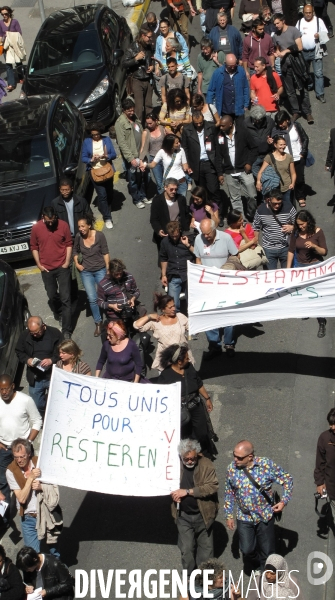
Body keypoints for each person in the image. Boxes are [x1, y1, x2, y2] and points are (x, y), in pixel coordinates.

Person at [224, 439, 293, 572]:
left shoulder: (266, 465)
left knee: (267, 551)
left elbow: (287, 480)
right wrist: (229, 515)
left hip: (265, 515)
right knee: (246, 549)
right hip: (244, 516)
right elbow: (229, 492)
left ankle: (265, 573)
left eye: (239, 457)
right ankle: (256, 561)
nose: (235, 459)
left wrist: (283, 501)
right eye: (234, 455)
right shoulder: (231, 469)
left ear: (250, 456)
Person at [170, 439, 218, 575]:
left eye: (193, 458)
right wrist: (173, 493)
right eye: (187, 459)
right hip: (183, 516)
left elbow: (212, 486)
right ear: (180, 456)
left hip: (203, 516)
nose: (190, 461)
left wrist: (187, 492)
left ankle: (206, 578)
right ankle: (190, 577)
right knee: (187, 550)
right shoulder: (173, 466)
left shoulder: (206, 465)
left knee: (206, 552)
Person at [6, 439, 62, 555]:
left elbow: (54, 486)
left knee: (54, 552)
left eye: (22, 456)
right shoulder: (11, 471)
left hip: (46, 514)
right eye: (16, 457)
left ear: (29, 454)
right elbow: (21, 498)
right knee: (32, 555)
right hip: (28, 518)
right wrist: (30, 478)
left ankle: (60, 572)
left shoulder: (40, 463)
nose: (19, 460)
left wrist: (42, 487)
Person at [0, 374, 42, 523]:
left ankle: (33, 511)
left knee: (28, 479)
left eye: (6, 389)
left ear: (12, 386)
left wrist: (29, 442)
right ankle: (3, 519)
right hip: (4, 450)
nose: (4, 392)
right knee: (3, 483)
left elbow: (37, 421)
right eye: (1, 390)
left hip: (24, 451)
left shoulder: (25, 400)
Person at [194, 218, 238, 357]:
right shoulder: (198, 239)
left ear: (214, 230)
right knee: (208, 313)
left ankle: (229, 343)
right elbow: (198, 258)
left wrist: (229, 270)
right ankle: (214, 345)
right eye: (203, 233)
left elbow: (235, 255)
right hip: (208, 284)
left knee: (228, 312)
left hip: (225, 283)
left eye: (207, 233)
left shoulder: (226, 238)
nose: (205, 236)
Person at [30, 207, 73, 338]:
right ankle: (58, 311)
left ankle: (66, 330)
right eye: (47, 221)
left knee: (66, 298)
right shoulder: (36, 228)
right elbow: (34, 246)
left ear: (55, 216)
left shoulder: (63, 225)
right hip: (47, 269)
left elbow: (69, 243)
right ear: (43, 217)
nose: (50, 224)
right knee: (52, 294)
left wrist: (66, 262)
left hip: (62, 267)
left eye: (52, 220)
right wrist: (39, 264)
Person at [287, 210, 327, 337]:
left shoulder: (318, 232)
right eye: (298, 224)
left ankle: (321, 321)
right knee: (303, 292)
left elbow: (324, 252)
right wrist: (288, 269)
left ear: (308, 222)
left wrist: (314, 246)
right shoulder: (296, 232)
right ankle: (306, 310)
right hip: (300, 266)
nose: (300, 227)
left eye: (302, 224)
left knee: (317, 294)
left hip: (315, 266)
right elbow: (291, 250)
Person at [15, 317, 63, 417]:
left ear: (43, 327)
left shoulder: (55, 333)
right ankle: (44, 413)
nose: (34, 335)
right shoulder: (25, 335)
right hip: (35, 377)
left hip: (52, 375)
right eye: (32, 333)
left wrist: (51, 360)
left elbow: (63, 351)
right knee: (37, 404)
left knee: (57, 401)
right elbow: (19, 351)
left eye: (37, 332)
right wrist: (27, 360)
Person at [133, 294, 193, 372]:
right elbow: (136, 325)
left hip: (183, 358)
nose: (174, 309)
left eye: (174, 306)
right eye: (170, 307)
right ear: (163, 309)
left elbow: (192, 327)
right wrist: (149, 316)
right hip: (167, 361)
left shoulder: (180, 317)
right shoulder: (155, 322)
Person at [272, 13, 314, 124]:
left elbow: (300, 47)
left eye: (277, 23)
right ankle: (296, 111)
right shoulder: (276, 35)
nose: (276, 26)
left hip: (297, 62)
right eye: (274, 24)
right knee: (290, 90)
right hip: (285, 64)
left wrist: (286, 51)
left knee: (302, 88)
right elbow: (277, 49)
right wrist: (277, 53)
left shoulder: (293, 30)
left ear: (283, 21)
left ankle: (307, 112)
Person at [73, 215, 110, 337]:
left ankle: (110, 318)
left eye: (83, 226)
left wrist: (108, 268)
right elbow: (75, 251)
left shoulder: (99, 235)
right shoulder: (78, 237)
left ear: (89, 225)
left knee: (104, 295)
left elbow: (105, 252)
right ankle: (98, 322)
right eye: (79, 227)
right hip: (86, 272)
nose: (81, 229)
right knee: (92, 298)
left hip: (100, 269)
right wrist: (77, 264)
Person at [182, 111, 223, 212]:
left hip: (210, 163)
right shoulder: (187, 130)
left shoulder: (211, 127)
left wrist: (220, 170)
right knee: (202, 191)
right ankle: (205, 212)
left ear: (203, 119)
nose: (199, 125)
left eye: (201, 122)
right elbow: (185, 148)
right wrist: (187, 163)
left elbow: (217, 147)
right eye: (196, 123)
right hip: (196, 165)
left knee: (213, 189)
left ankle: (218, 212)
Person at [218, 115, 258, 217]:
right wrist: (220, 173)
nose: (220, 128)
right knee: (235, 198)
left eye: (223, 126)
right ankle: (240, 220)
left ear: (230, 124)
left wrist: (249, 162)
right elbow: (218, 155)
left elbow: (254, 148)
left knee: (252, 195)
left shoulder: (243, 132)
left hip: (244, 170)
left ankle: (252, 214)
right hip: (229, 171)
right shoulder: (220, 136)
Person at [115, 98, 149, 209]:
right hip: (132, 156)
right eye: (129, 111)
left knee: (144, 176)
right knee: (133, 179)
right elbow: (122, 143)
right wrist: (131, 159)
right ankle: (137, 199)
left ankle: (143, 195)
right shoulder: (120, 123)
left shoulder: (134, 118)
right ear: (123, 110)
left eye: (133, 110)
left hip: (141, 154)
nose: (132, 112)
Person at [271, 109, 309, 207]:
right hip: (285, 159)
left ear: (287, 120)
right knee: (287, 180)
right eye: (278, 123)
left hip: (298, 157)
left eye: (282, 122)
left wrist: (303, 153)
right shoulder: (276, 131)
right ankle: (289, 199)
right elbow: (274, 145)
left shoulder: (296, 126)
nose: (280, 125)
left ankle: (300, 196)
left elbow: (305, 138)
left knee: (299, 178)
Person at [81, 123, 116, 229]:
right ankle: (107, 218)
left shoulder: (106, 140)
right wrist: (91, 159)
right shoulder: (87, 142)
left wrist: (106, 156)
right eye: (93, 135)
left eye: (97, 134)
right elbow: (83, 158)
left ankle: (107, 206)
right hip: (95, 172)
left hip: (107, 169)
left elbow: (114, 154)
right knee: (102, 195)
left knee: (109, 192)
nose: (96, 136)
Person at [252, 189, 297, 269]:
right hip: (268, 249)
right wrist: (256, 243)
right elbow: (256, 227)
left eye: (279, 203)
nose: (277, 206)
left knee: (287, 274)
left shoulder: (289, 208)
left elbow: (299, 224)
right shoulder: (261, 210)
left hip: (286, 247)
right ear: (269, 200)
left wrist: (293, 227)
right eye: (274, 203)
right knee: (270, 276)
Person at [122, 24, 154, 125]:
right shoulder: (132, 48)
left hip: (148, 79)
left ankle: (150, 126)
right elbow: (124, 63)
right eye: (148, 37)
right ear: (142, 36)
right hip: (137, 80)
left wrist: (152, 66)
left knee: (149, 105)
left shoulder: (148, 46)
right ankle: (139, 127)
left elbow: (152, 58)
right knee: (139, 108)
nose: (150, 39)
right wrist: (136, 59)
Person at [160, 221, 194, 311]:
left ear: (179, 231)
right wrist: (163, 275)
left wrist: (187, 245)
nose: (174, 238)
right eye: (172, 236)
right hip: (173, 275)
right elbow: (163, 259)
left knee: (192, 304)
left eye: (176, 235)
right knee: (172, 306)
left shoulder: (188, 238)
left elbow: (198, 253)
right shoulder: (165, 242)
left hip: (188, 275)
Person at [296, 3, 328, 103]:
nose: (308, 14)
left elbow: (326, 34)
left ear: (313, 12)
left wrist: (319, 35)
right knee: (304, 72)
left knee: (318, 73)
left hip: (316, 51)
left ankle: (320, 93)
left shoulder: (319, 21)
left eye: (310, 12)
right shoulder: (300, 22)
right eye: (306, 13)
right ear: (303, 12)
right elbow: (296, 35)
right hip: (303, 52)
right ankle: (308, 86)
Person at [206, 54, 250, 122]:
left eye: (234, 65)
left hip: (238, 108)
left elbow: (245, 88)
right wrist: (210, 105)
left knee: (240, 130)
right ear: (225, 63)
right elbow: (211, 90)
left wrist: (246, 104)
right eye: (230, 66)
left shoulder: (241, 71)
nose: (232, 68)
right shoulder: (218, 73)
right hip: (224, 109)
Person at [97, 258, 140, 324]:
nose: (119, 276)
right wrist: (112, 306)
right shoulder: (103, 284)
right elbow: (100, 302)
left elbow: (136, 291)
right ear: (110, 271)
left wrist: (133, 299)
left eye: (120, 273)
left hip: (131, 312)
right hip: (115, 317)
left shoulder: (129, 276)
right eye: (116, 274)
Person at [149, 178, 190, 247]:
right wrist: (159, 230)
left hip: (178, 234)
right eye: (171, 189)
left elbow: (185, 215)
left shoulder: (181, 199)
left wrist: (186, 229)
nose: (174, 191)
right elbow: (154, 219)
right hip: (165, 235)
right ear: (165, 187)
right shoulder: (157, 201)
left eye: (176, 189)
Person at [256, 135, 296, 202]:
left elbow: (293, 173)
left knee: (286, 207)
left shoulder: (289, 157)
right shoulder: (269, 157)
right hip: (273, 187)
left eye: (284, 144)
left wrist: (292, 183)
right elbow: (260, 172)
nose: (283, 147)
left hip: (286, 187)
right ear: (275, 145)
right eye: (280, 145)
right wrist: (258, 182)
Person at [314, 408, 335, 525]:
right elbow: (320, 462)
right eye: (331, 424)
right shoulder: (325, 438)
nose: (332, 427)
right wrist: (320, 482)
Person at [140, 113, 165, 194]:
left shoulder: (162, 128)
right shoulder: (146, 132)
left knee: (167, 180)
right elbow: (143, 148)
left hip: (165, 158)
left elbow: (172, 137)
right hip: (154, 160)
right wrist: (141, 160)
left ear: (156, 121)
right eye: (147, 123)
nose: (149, 125)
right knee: (159, 183)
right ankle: (162, 201)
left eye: (151, 123)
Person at [0, 7, 22, 91]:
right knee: (8, 65)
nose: (4, 16)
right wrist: (1, 43)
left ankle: (21, 77)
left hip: (14, 46)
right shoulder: (1, 23)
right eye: (2, 14)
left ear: (9, 13)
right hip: (6, 47)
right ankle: (11, 84)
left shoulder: (14, 22)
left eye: (5, 14)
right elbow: (0, 34)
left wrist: (11, 36)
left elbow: (19, 33)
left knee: (18, 63)